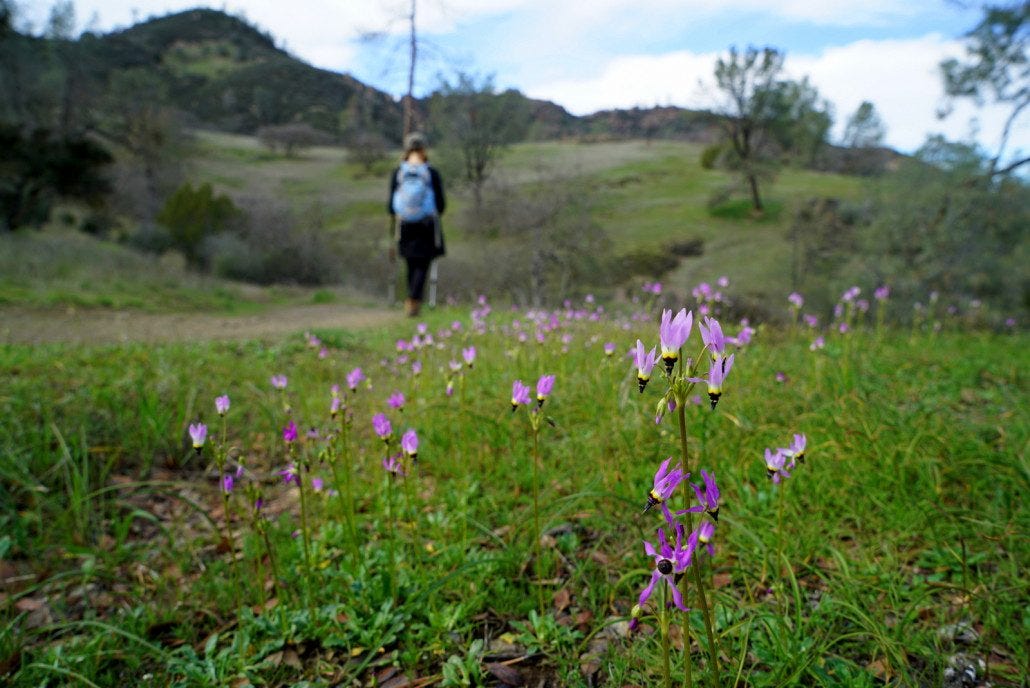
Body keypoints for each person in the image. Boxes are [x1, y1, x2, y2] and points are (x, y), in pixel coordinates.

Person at [387, 132, 446, 317]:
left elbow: (390, 206)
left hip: (404, 224)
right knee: (423, 263)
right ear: (424, 149)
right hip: (427, 224)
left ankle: (411, 299)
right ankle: (414, 300)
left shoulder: (399, 172)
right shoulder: (431, 172)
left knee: (411, 263)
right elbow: (441, 204)